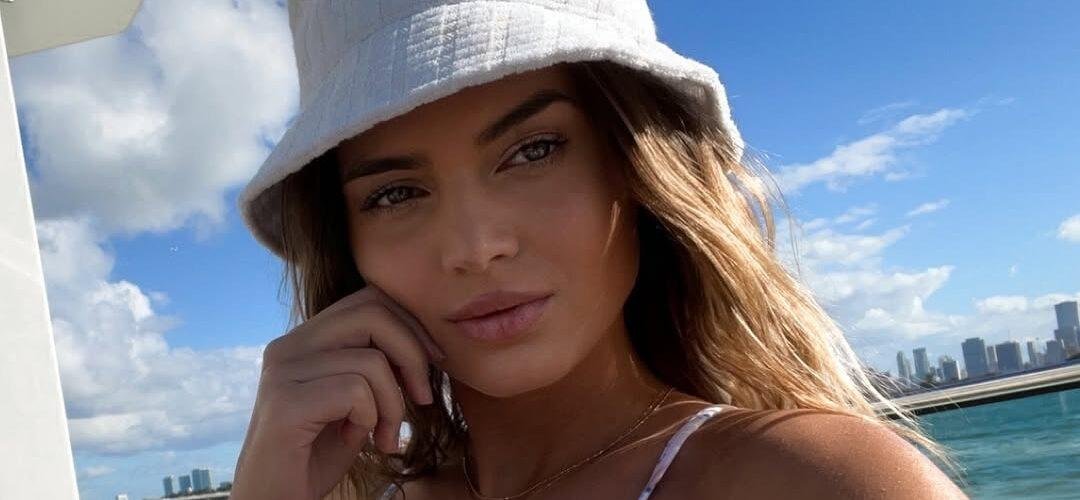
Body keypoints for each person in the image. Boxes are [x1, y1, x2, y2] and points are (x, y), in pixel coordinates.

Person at [231, 1, 969, 499]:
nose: (476, 247)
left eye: (534, 150)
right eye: (395, 194)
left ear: (642, 168)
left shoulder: (820, 482)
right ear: (348, 242)